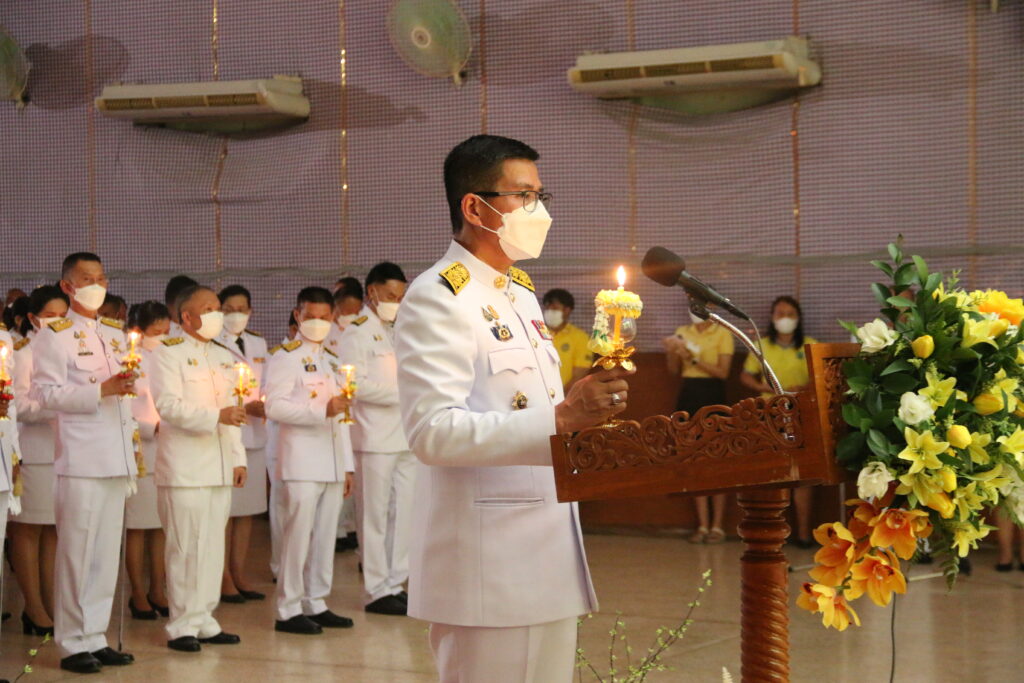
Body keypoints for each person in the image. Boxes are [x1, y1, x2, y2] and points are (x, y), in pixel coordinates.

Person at [394, 134, 633, 682]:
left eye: (541, 196)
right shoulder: (438, 297)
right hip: (489, 563)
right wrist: (561, 418)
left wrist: (585, 412)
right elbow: (432, 432)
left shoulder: (520, 293)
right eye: (523, 196)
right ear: (475, 208)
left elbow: (533, 408)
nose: (538, 210)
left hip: (546, 548)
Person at [31, 252, 138, 674]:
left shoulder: (113, 332)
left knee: (105, 554)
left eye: (101, 278)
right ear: (67, 286)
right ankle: (72, 642)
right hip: (80, 458)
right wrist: (100, 389)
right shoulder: (53, 335)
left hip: (116, 454)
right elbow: (45, 395)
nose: (96, 285)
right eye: (87, 278)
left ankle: (95, 635)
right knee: (77, 552)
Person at [149, 284, 246, 653]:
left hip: (219, 465)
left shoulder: (222, 355)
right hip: (185, 467)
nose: (216, 314)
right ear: (186, 316)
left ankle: (205, 618)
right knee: (186, 546)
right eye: (208, 308)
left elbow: (234, 411)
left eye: (217, 307)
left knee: (211, 547)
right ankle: (182, 624)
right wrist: (215, 416)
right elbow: (168, 406)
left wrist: (238, 457)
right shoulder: (167, 353)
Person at [266, 286, 355, 634]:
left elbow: (342, 414)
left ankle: (316, 600)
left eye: (324, 317)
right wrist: (320, 410)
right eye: (310, 316)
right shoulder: (285, 357)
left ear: (332, 318)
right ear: (297, 315)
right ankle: (288, 608)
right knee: (298, 535)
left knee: (325, 535)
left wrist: (347, 465)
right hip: (302, 460)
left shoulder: (332, 358)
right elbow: (274, 406)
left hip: (331, 460)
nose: (317, 323)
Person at [338, 262, 415, 615]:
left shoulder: (401, 329)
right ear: (372, 292)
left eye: (400, 297)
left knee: (404, 512)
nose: (395, 302)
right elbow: (354, 385)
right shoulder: (355, 332)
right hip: (373, 437)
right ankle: (376, 589)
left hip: (405, 435)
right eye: (390, 295)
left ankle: (396, 581)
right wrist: (403, 394)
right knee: (374, 515)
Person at [10, 286, 67, 637]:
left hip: (63, 451)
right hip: (32, 451)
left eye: (63, 315)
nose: (58, 322)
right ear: (33, 319)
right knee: (28, 530)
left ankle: (49, 602)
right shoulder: (24, 352)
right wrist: (59, 407)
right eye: (50, 316)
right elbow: (17, 404)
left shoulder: (68, 349)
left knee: (52, 531)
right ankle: (32, 606)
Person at [740, 295, 818, 547]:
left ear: (798, 318)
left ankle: (803, 533)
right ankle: (773, 533)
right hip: (769, 415)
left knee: (802, 476)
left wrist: (804, 389)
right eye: (780, 314)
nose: (785, 319)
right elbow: (745, 376)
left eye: (790, 314)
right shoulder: (761, 346)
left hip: (800, 414)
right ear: (772, 318)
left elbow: (819, 377)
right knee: (773, 474)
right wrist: (763, 387)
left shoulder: (810, 345)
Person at [664, 305, 735, 545]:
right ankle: (703, 525)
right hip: (689, 394)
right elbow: (673, 370)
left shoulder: (723, 333)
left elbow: (723, 372)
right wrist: (672, 351)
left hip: (713, 394)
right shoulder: (683, 332)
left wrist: (693, 358)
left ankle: (718, 526)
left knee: (717, 461)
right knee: (693, 460)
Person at [216, 284, 269, 603]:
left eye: (241, 309)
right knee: (227, 511)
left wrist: (265, 403)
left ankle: (239, 572)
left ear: (250, 311)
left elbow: (266, 382)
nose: (236, 315)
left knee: (247, 510)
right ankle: (222, 577)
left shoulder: (258, 342)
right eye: (229, 309)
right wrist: (244, 405)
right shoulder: (213, 342)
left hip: (256, 433)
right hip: (229, 430)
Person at [124, 301, 171, 620]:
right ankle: (137, 592)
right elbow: (123, 406)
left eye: (166, 330)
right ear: (139, 331)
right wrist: (148, 427)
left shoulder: (170, 356)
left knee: (160, 526)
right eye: (156, 331)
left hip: (169, 449)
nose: (162, 336)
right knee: (138, 526)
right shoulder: (128, 358)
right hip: (140, 448)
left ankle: (158, 588)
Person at [329, 277, 363, 552]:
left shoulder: (362, 331)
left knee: (355, 473)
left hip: (361, 412)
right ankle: (338, 529)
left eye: (355, 310)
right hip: (335, 409)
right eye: (345, 311)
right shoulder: (327, 333)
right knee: (339, 467)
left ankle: (351, 526)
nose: (350, 315)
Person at [541, 288, 592, 390]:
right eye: (547, 308)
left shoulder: (580, 337)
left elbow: (580, 374)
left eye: (554, 308)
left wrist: (562, 396)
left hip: (566, 395)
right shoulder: (537, 334)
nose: (549, 311)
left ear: (567, 310)